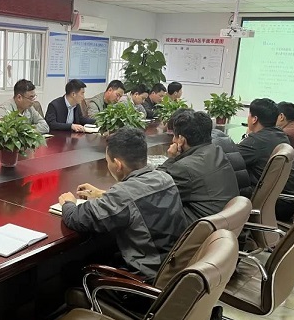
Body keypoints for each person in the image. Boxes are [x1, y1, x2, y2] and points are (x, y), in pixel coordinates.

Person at [57, 127, 186, 282]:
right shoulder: (165, 178)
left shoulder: (123, 194)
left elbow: (76, 218)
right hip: (171, 267)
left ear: (118, 164)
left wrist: (69, 203)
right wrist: (102, 194)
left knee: (69, 270)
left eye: (107, 161)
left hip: (145, 278)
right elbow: (137, 198)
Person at [157, 109, 239, 224]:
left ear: (181, 140)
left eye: (174, 136)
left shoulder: (184, 168)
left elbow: (154, 188)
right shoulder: (216, 150)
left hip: (199, 229)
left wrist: (171, 158)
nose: (173, 140)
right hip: (225, 223)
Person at [237, 98, 294, 221]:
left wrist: (247, 136)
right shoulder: (279, 134)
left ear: (254, 119)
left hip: (276, 204)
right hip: (288, 201)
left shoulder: (256, 141)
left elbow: (227, 161)